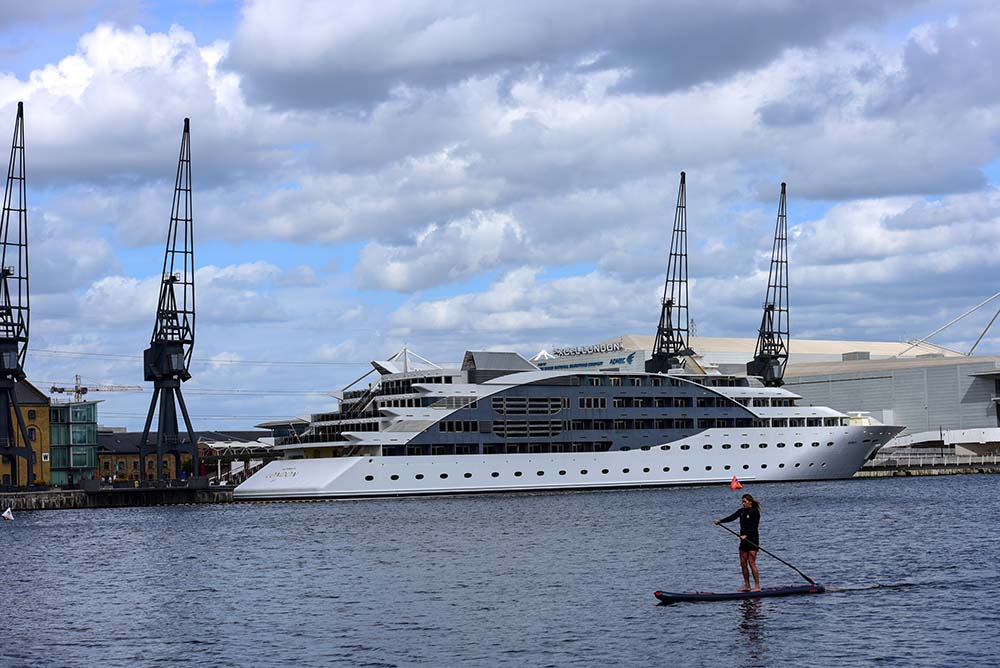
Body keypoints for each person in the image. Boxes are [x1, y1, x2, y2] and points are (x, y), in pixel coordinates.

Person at [715, 493, 762, 592]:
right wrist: (721, 521)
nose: (743, 504)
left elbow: (754, 526)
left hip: (752, 540)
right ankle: (747, 585)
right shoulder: (741, 511)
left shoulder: (755, 512)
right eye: (742, 502)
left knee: (751, 562)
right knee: (743, 563)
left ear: (750, 502)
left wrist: (747, 535)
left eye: (745, 502)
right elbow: (732, 517)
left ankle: (757, 586)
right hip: (743, 540)